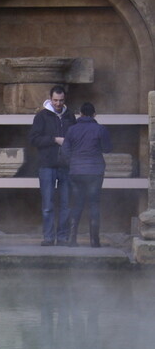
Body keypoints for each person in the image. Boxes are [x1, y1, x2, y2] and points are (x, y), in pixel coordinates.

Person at [29, 85, 76, 246]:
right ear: (50, 99)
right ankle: (48, 238)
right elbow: (34, 139)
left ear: (65, 99)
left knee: (66, 204)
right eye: (55, 100)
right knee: (48, 205)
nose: (58, 103)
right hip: (47, 165)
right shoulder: (41, 116)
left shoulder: (70, 116)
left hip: (66, 166)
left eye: (61, 100)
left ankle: (62, 237)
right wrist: (54, 140)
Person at [61, 102, 111, 247]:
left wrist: (73, 163)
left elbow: (65, 151)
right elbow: (107, 148)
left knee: (76, 204)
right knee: (94, 204)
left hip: (76, 172)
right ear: (94, 114)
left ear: (80, 114)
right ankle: (94, 241)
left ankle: (72, 240)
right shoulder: (100, 129)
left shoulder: (71, 130)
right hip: (95, 172)